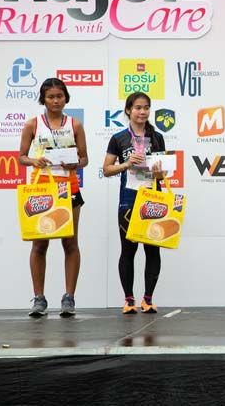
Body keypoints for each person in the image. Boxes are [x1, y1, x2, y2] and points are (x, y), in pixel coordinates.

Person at [18, 78, 88, 317]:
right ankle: (39, 298)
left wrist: (75, 163)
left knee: (70, 243)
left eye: (60, 96)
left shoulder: (75, 124)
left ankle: (69, 298)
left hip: (69, 188)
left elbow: (85, 159)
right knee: (39, 244)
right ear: (43, 99)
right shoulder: (32, 124)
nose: (56, 101)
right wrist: (34, 160)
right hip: (42, 190)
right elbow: (21, 157)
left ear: (66, 97)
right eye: (51, 97)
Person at [103, 92, 167, 315]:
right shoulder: (119, 138)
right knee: (128, 250)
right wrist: (127, 164)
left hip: (152, 200)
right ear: (128, 110)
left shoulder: (157, 137)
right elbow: (106, 169)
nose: (142, 112)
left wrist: (159, 172)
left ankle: (148, 299)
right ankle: (129, 300)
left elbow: (163, 174)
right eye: (138, 107)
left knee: (153, 250)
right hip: (128, 201)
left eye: (146, 107)